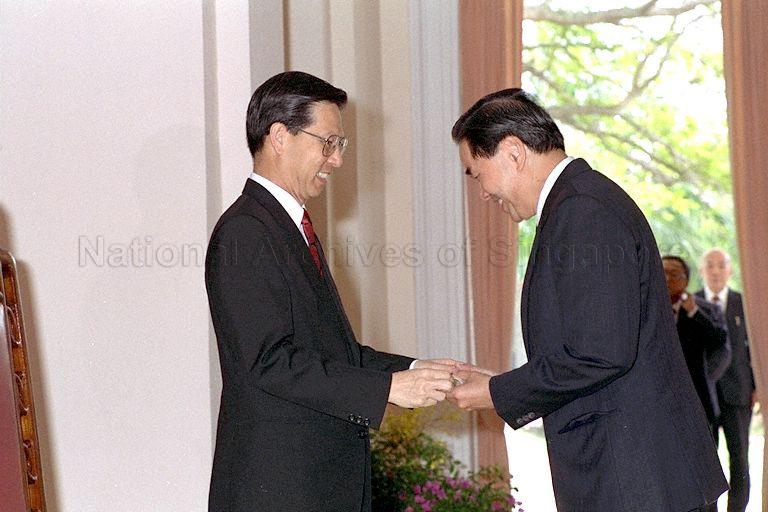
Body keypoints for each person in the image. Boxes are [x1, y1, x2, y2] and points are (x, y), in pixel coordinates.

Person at [446, 88, 727, 511]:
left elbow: (600, 353)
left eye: (476, 173)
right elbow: (590, 346)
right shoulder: (578, 203)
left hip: (635, 484)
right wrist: (501, 383)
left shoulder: (582, 211)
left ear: (513, 152)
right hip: (635, 479)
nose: (483, 193)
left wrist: (499, 392)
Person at [204, 71, 456, 512]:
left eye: (340, 145)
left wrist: (417, 369)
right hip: (281, 491)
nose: (336, 160)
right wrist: (387, 389)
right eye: (328, 143)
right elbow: (269, 362)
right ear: (279, 137)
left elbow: (334, 354)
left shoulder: (287, 227)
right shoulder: (246, 231)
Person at [697, 248, 756, 512]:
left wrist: (757, 386)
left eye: (721, 265)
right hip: (703, 396)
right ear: (702, 270)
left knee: (739, 458)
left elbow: (755, 348)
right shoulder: (692, 303)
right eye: (710, 265)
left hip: (738, 392)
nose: (716, 271)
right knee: (706, 459)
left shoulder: (743, 304)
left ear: (730, 269)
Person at [662, 255, 729, 436]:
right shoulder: (648, 310)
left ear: (686, 280)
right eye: (663, 273)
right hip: (661, 400)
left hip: (698, 398)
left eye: (673, 274)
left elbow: (719, 341)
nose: (667, 279)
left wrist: (693, 312)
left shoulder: (704, 309)